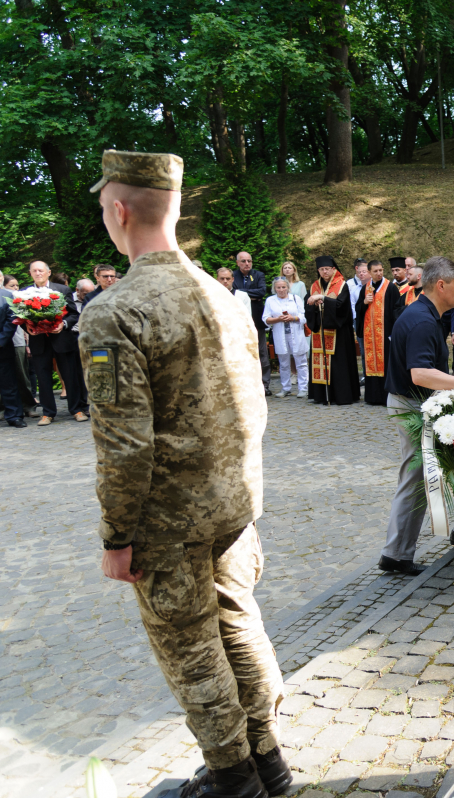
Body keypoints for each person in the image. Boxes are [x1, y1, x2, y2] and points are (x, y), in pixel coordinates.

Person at [80, 149, 289, 798]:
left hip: (168, 524)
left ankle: (233, 778)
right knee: (240, 624)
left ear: (119, 213)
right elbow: (253, 407)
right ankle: (271, 763)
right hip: (232, 508)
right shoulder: (224, 297)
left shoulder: (115, 313)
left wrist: (117, 538)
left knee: (192, 648)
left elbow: (125, 446)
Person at [381, 256, 454, 575]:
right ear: (441, 285)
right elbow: (420, 374)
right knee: (419, 476)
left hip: (425, 401)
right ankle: (395, 554)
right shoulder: (420, 320)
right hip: (412, 405)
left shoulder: (428, 314)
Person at [25, 260, 87, 424]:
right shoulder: (25, 293)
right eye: (34, 271)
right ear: (30, 273)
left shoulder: (62, 289)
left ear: (48, 272)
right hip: (39, 341)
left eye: (41, 270)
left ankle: (77, 409)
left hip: (61, 339)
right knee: (43, 378)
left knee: (70, 376)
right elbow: (21, 317)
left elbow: (73, 315)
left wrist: (63, 324)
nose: (38, 273)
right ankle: (48, 413)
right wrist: (28, 328)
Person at [305, 256, 361, 405]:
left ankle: (340, 395)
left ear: (333, 269)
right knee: (320, 362)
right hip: (319, 331)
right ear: (318, 271)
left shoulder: (342, 285)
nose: (325, 272)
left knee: (338, 364)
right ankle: (321, 395)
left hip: (338, 333)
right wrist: (314, 305)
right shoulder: (314, 286)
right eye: (322, 269)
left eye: (327, 269)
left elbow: (342, 307)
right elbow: (308, 306)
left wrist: (322, 298)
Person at [354, 259, 402, 406]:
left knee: (386, 364)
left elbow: (397, 311)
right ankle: (373, 396)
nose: (379, 273)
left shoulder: (390, 288)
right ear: (369, 272)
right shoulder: (365, 288)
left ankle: (387, 396)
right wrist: (364, 303)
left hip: (385, 335)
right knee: (370, 363)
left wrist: (393, 333)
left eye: (381, 270)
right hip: (370, 336)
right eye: (375, 271)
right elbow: (358, 310)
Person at [233, 251, 272, 397]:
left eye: (249, 260)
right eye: (243, 261)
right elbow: (231, 292)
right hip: (238, 322)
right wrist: (249, 295)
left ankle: (265, 384)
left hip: (257, 320)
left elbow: (261, 292)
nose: (247, 263)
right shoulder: (233, 276)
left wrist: (241, 293)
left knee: (262, 352)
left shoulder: (258, 275)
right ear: (237, 263)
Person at [263, 277, 309, 398]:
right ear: (275, 288)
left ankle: (303, 388)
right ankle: (286, 387)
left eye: (284, 287)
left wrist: (292, 318)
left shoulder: (295, 298)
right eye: (278, 287)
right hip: (280, 334)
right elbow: (265, 318)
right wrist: (278, 319)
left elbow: (304, 316)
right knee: (283, 363)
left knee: (301, 362)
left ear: (288, 287)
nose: (281, 289)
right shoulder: (270, 300)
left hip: (296, 333)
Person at [2, 274, 37, 417]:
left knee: (20, 378)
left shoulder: (12, 297)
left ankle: (26, 407)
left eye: (17, 285)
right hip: (9, 342)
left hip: (13, 342)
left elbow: (18, 321)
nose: (16, 288)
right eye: (12, 285)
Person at [0, 278, 26, 427]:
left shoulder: (6, 296)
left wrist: (1, 341)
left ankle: (14, 415)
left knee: (8, 383)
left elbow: (12, 320)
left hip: (2, 347)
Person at [348, 260, 370, 383]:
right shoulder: (355, 289)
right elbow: (352, 306)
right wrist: (356, 320)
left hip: (372, 321)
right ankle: (365, 374)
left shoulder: (374, 287)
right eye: (360, 272)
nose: (362, 274)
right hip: (359, 322)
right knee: (363, 349)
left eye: (364, 272)